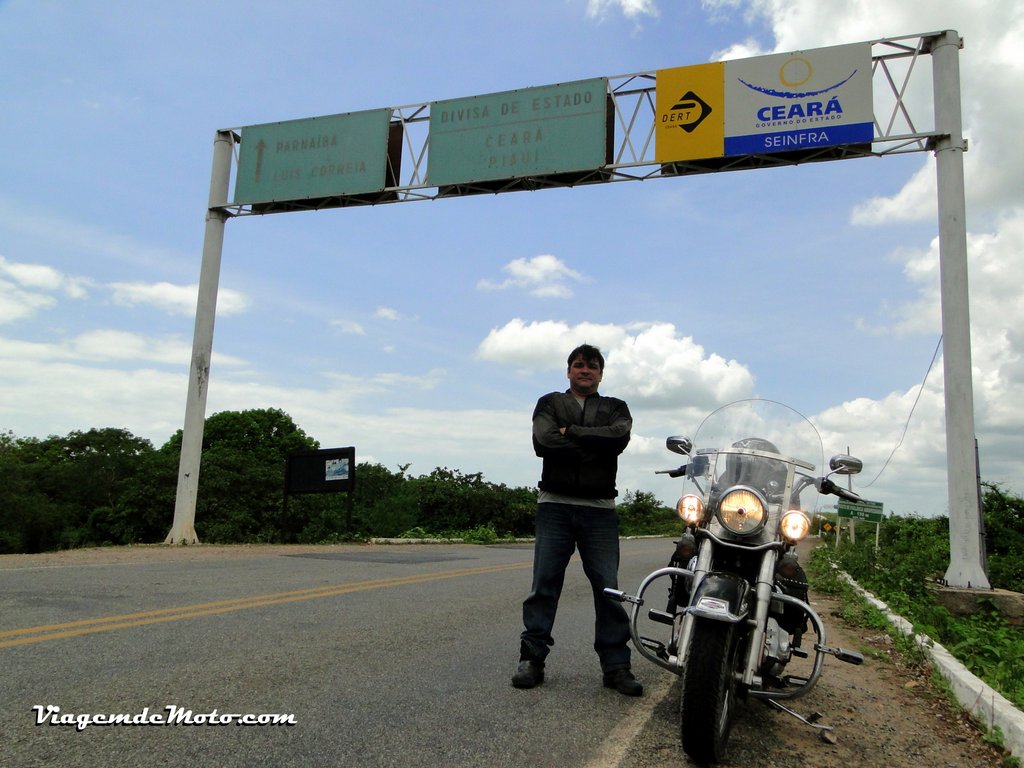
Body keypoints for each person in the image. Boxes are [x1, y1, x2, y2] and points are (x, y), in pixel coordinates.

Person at [511, 344, 642, 696]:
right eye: (579, 365)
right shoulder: (550, 402)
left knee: (609, 589)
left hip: (600, 509)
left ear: (601, 373)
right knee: (544, 585)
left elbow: (618, 437)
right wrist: (591, 449)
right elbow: (544, 440)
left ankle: (616, 666)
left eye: (593, 366)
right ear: (568, 370)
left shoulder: (616, 407)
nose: (586, 371)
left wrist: (573, 433)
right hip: (554, 504)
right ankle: (532, 659)